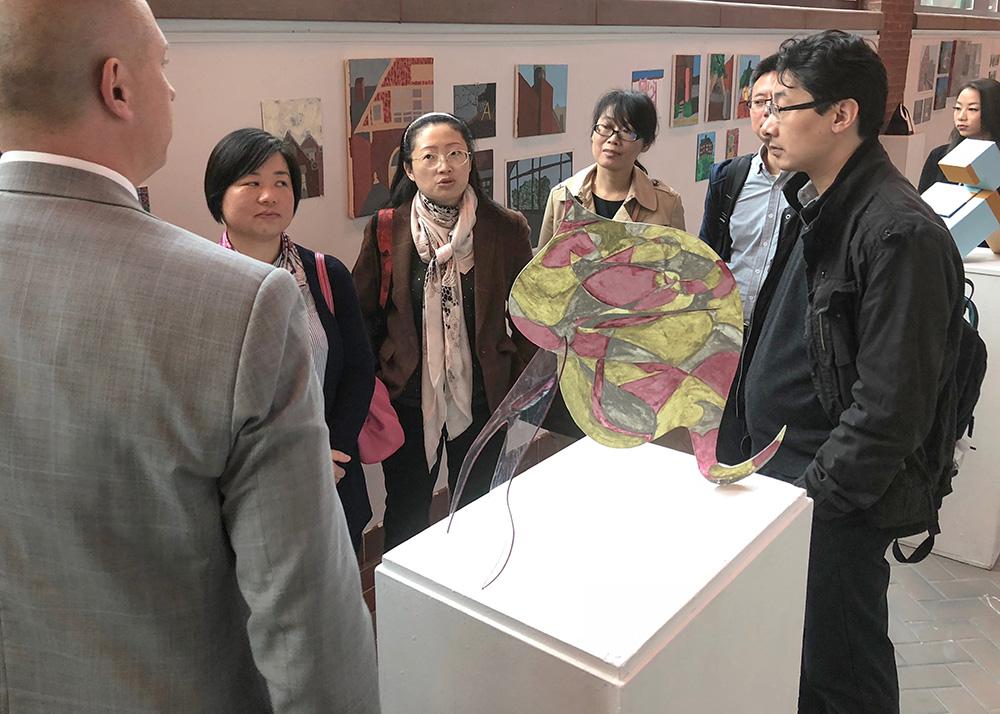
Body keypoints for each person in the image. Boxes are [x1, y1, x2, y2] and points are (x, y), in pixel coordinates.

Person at [0, 1, 379, 711]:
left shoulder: (295, 280)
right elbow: (311, 639)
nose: (171, 89)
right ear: (117, 86)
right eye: (163, 63)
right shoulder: (242, 305)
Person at [717, 30, 964, 713]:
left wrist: (811, 506)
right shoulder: (818, 201)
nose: (765, 123)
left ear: (840, 114)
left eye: (783, 105)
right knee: (793, 660)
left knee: (840, 669)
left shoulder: (897, 232)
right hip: (783, 485)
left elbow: (890, 408)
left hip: (828, 507)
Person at [353, 112, 535, 550]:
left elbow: (531, 314)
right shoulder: (386, 228)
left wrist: (520, 386)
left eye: (456, 154)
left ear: (471, 162)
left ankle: (472, 598)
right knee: (408, 510)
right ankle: (409, 604)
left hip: (484, 396)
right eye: (430, 156)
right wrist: (381, 379)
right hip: (410, 399)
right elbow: (364, 317)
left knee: (479, 507)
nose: (444, 166)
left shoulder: (505, 228)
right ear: (410, 169)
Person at [205, 127, 375, 553]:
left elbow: (357, 370)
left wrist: (332, 450)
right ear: (218, 196)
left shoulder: (325, 274)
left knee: (337, 597)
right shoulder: (200, 281)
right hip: (242, 486)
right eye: (252, 182)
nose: (269, 196)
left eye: (281, 183)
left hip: (328, 475)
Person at [699, 54, 794, 326]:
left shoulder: (812, 186)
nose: (767, 111)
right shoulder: (727, 177)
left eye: (778, 103)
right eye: (759, 101)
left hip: (777, 337)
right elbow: (708, 256)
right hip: (726, 328)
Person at [538, 89, 685, 247]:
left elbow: (679, 269)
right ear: (593, 134)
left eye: (627, 131)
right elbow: (541, 269)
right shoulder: (561, 196)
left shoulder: (667, 204)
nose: (613, 139)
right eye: (606, 127)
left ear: (646, 144)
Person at [918, 77, 1000, 193]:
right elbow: (922, 205)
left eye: (972, 109)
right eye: (957, 108)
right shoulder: (939, 156)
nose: (961, 117)